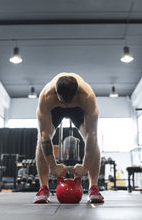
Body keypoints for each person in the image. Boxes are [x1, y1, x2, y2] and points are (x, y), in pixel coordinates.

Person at [34, 72, 104, 204]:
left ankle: (93, 187)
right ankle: (43, 188)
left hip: (78, 108)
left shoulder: (87, 96)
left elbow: (92, 135)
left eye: (68, 102)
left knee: (94, 140)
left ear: (76, 94)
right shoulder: (47, 96)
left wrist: (85, 166)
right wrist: (53, 166)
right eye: (63, 101)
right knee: (41, 139)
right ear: (57, 93)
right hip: (54, 109)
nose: (66, 105)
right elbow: (44, 135)